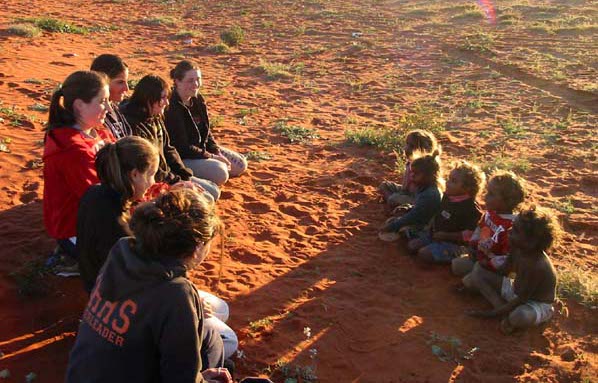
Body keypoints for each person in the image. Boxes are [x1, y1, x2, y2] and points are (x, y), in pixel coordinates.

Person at [66, 189, 233, 383]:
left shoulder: (123, 249)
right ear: (198, 247)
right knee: (222, 342)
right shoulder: (176, 293)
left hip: (82, 374)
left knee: (212, 331)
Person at [43, 71, 114, 269]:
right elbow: (101, 200)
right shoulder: (72, 149)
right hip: (75, 230)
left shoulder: (97, 131)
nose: (109, 107)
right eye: (102, 101)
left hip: (95, 216)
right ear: (79, 105)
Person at [77, 136, 159, 293]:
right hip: (110, 297)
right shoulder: (118, 224)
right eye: (150, 174)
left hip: (92, 283)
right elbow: (136, 275)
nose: (153, 182)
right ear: (134, 174)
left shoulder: (95, 192)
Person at [120, 74, 220, 201]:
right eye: (163, 98)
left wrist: (184, 176)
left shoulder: (156, 117)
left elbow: (169, 149)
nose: (167, 103)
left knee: (213, 191)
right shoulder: (135, 126)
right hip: (153, 181)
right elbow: (150, 169)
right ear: (148, 98)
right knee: (207, 198)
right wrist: (175, 183)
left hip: (170, 175)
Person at [466, 207, 559, 334]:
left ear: (531, 241)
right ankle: (500, 307)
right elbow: (504, 270)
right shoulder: (517, 248)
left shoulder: (536, 266)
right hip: (515, 290)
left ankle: (504, 313)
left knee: (520, 316)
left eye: (515, 230)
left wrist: (489, 314)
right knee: (476, 272)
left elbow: (522, 299)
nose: (509, 230)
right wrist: (483, 261)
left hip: (535, 303)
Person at [165, 60, 247, 186]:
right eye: (190, 80)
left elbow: (206, 132)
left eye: (198, 79)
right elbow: (183, 147)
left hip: (201, 148)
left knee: (240, 165)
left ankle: (207, 170)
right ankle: (195, 176)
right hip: (184, 156)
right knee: (220, 172)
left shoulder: (197, 99)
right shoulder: (172, 106)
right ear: (177, 81)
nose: (196, 84)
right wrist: (211, 157)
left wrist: (216, 151)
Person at [407, 160, 484, 264]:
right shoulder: (447, 197)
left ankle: (453, 257)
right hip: (436, 236)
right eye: (448, 179)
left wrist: (446, 236)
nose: (447, 183)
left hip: (454, 244)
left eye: (453, 181)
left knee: (424, 254)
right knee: (411, 245)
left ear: (467, 188)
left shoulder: (471, 209)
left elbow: (470, 235)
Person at [452, 171, 526, 278]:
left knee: (472, 276)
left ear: (508, 201)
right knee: (456, 265)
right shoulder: (490, 213)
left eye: (491, 194)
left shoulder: (511, 225)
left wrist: (488, 264)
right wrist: (473, 245)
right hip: (481, 257)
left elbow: (508, 258)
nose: (485, 196)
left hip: (494, 268)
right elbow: (480, 228)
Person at [379, 150, 443, 241]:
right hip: (420, 217)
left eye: (416, 174)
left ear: (430, 176)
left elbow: (413, 216)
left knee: (404, 230)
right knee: (397, 216)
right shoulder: (423, 187)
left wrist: (392, 227)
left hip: (426, 226)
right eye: (412, 172)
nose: (412, 176)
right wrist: (408, 208)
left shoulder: (430, 194)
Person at [378, 129, 441, 208]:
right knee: (385, 185)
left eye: (412, 146)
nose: (406, 148)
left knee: (393, 198)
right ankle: (394, 201)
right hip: (406, 192)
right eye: (407, 144)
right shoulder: (410, 162)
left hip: (416, 197)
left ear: (422, 149)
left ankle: (395, 203)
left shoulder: (425, 166)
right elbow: (405, 185)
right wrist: (402, 192)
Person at [90, 54, 132, 139]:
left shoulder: (115, 108)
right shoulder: (94, 115)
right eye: (120, 82)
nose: (126, 88)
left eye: (126, 82)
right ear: (103, 82)